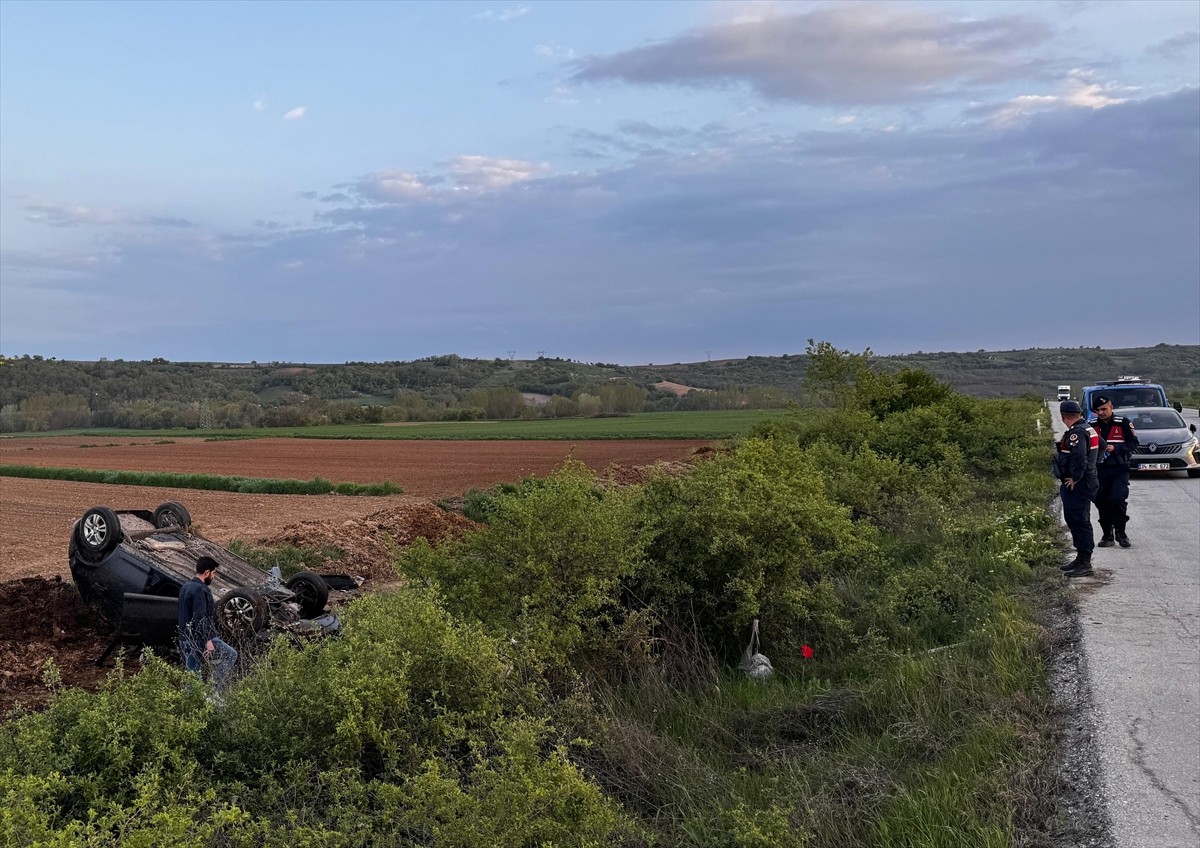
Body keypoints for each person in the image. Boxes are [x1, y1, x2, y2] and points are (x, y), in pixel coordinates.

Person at [178, 555, 238, 694]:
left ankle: (196, 700)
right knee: (230, 655)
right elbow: (201, 617)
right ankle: (213, 692)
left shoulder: (185, 587)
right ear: (207, 572)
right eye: (213, 573)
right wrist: (208, 640)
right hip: (198, 639)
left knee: (193, 675)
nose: (214, 576)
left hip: (185, 639)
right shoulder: (200, 590)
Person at [1054, 400, 1100, 577]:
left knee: (1079, 521)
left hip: (1079, 484)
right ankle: (1080, 558)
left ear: (1063, 416)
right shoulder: (1088, 428)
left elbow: (1080, 457)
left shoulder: (1077, 432)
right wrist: (1093, 466)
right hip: (1087, 481)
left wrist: (1076, 477)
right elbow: (1102, 446)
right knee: (1077, 520)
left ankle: (1085, 562)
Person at [1090, 395, 1139, 548]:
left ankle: (1121, 533)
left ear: (1111, 408)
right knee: (1101, 501)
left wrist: (1116, 448)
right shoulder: (1091, 426)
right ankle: (1107, 534)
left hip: (1119, 468)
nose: (1101, 413)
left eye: (1104, 409)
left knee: (1118, 499)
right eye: (1098, 410)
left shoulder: (1123, 423)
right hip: (1099, 470)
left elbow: (1133, 444)